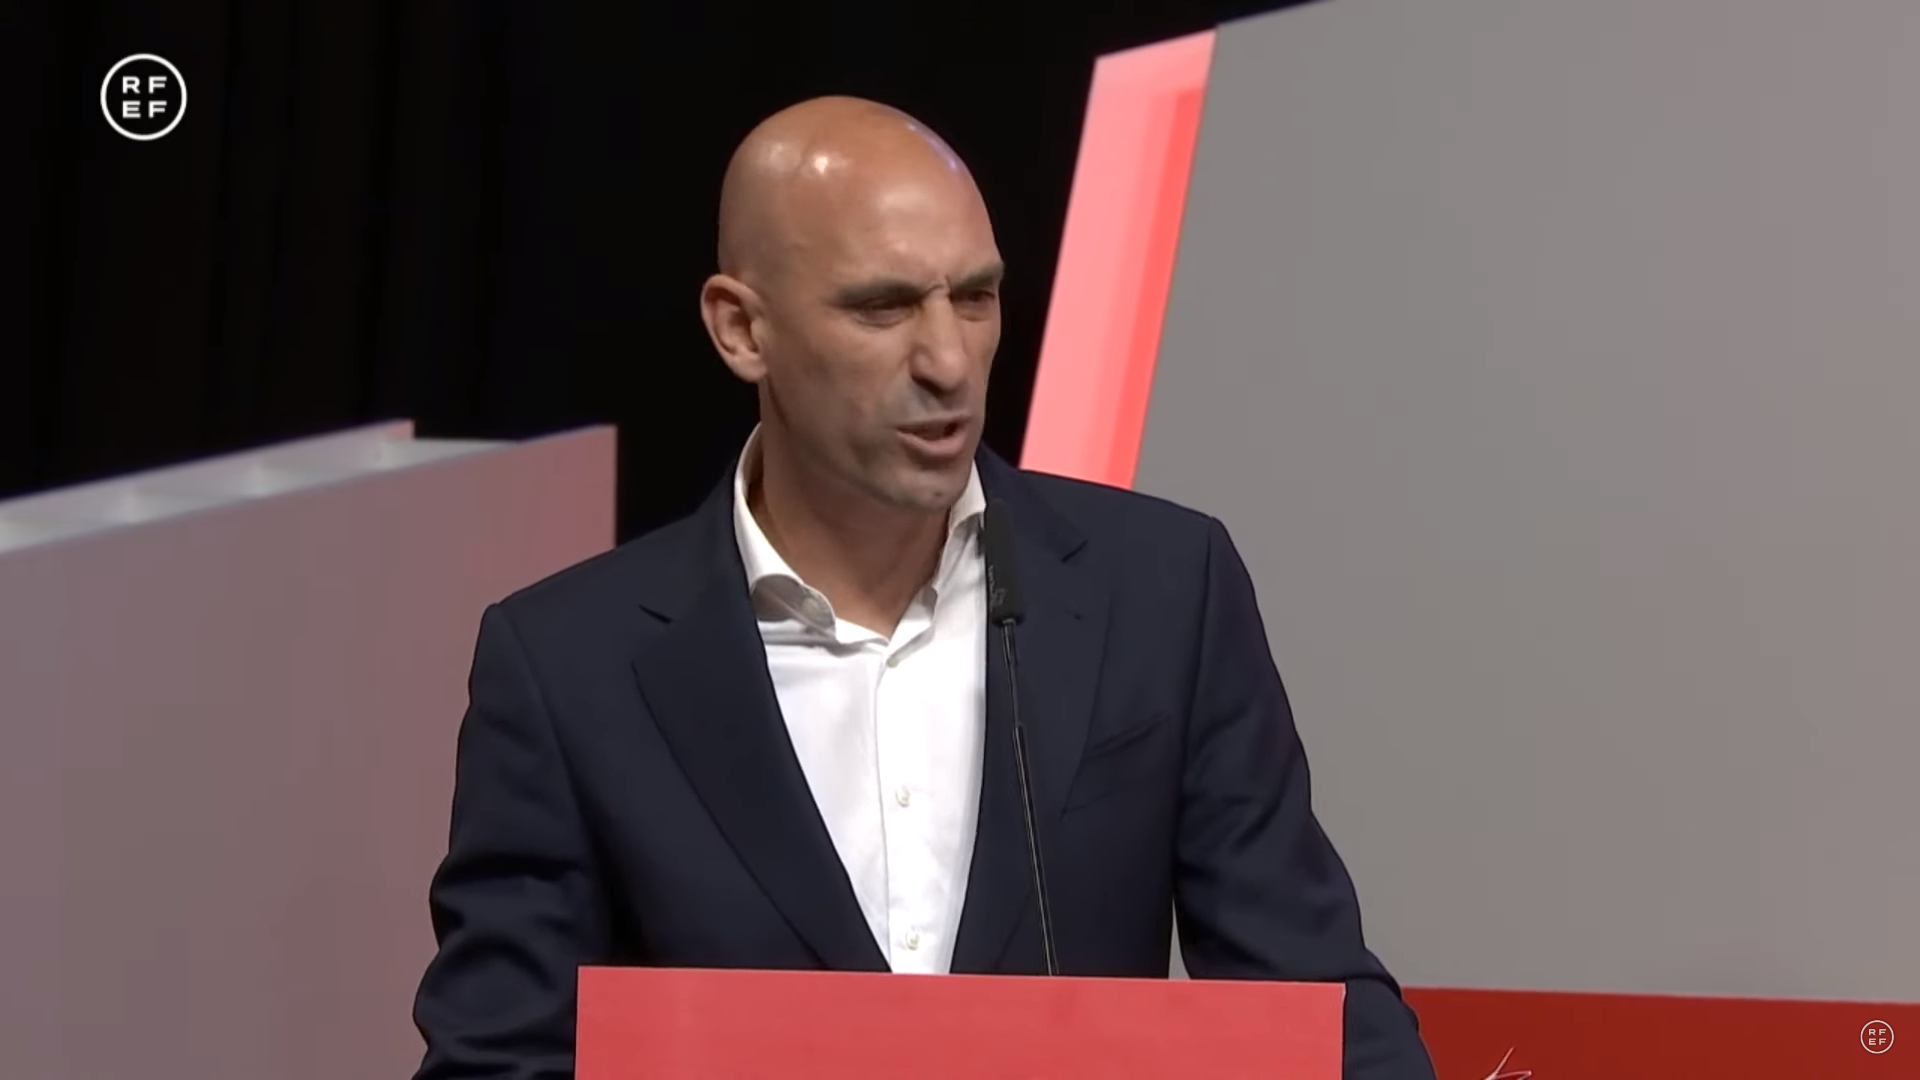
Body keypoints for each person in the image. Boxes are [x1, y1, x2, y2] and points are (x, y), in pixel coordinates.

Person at [410, 95, 1435, 1079]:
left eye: (975, 298)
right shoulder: (568, 667)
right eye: (883, 306)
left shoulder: (1165, 591)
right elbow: (502, 1058)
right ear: (742, 330)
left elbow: (1320, 1016)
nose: (949, 360)